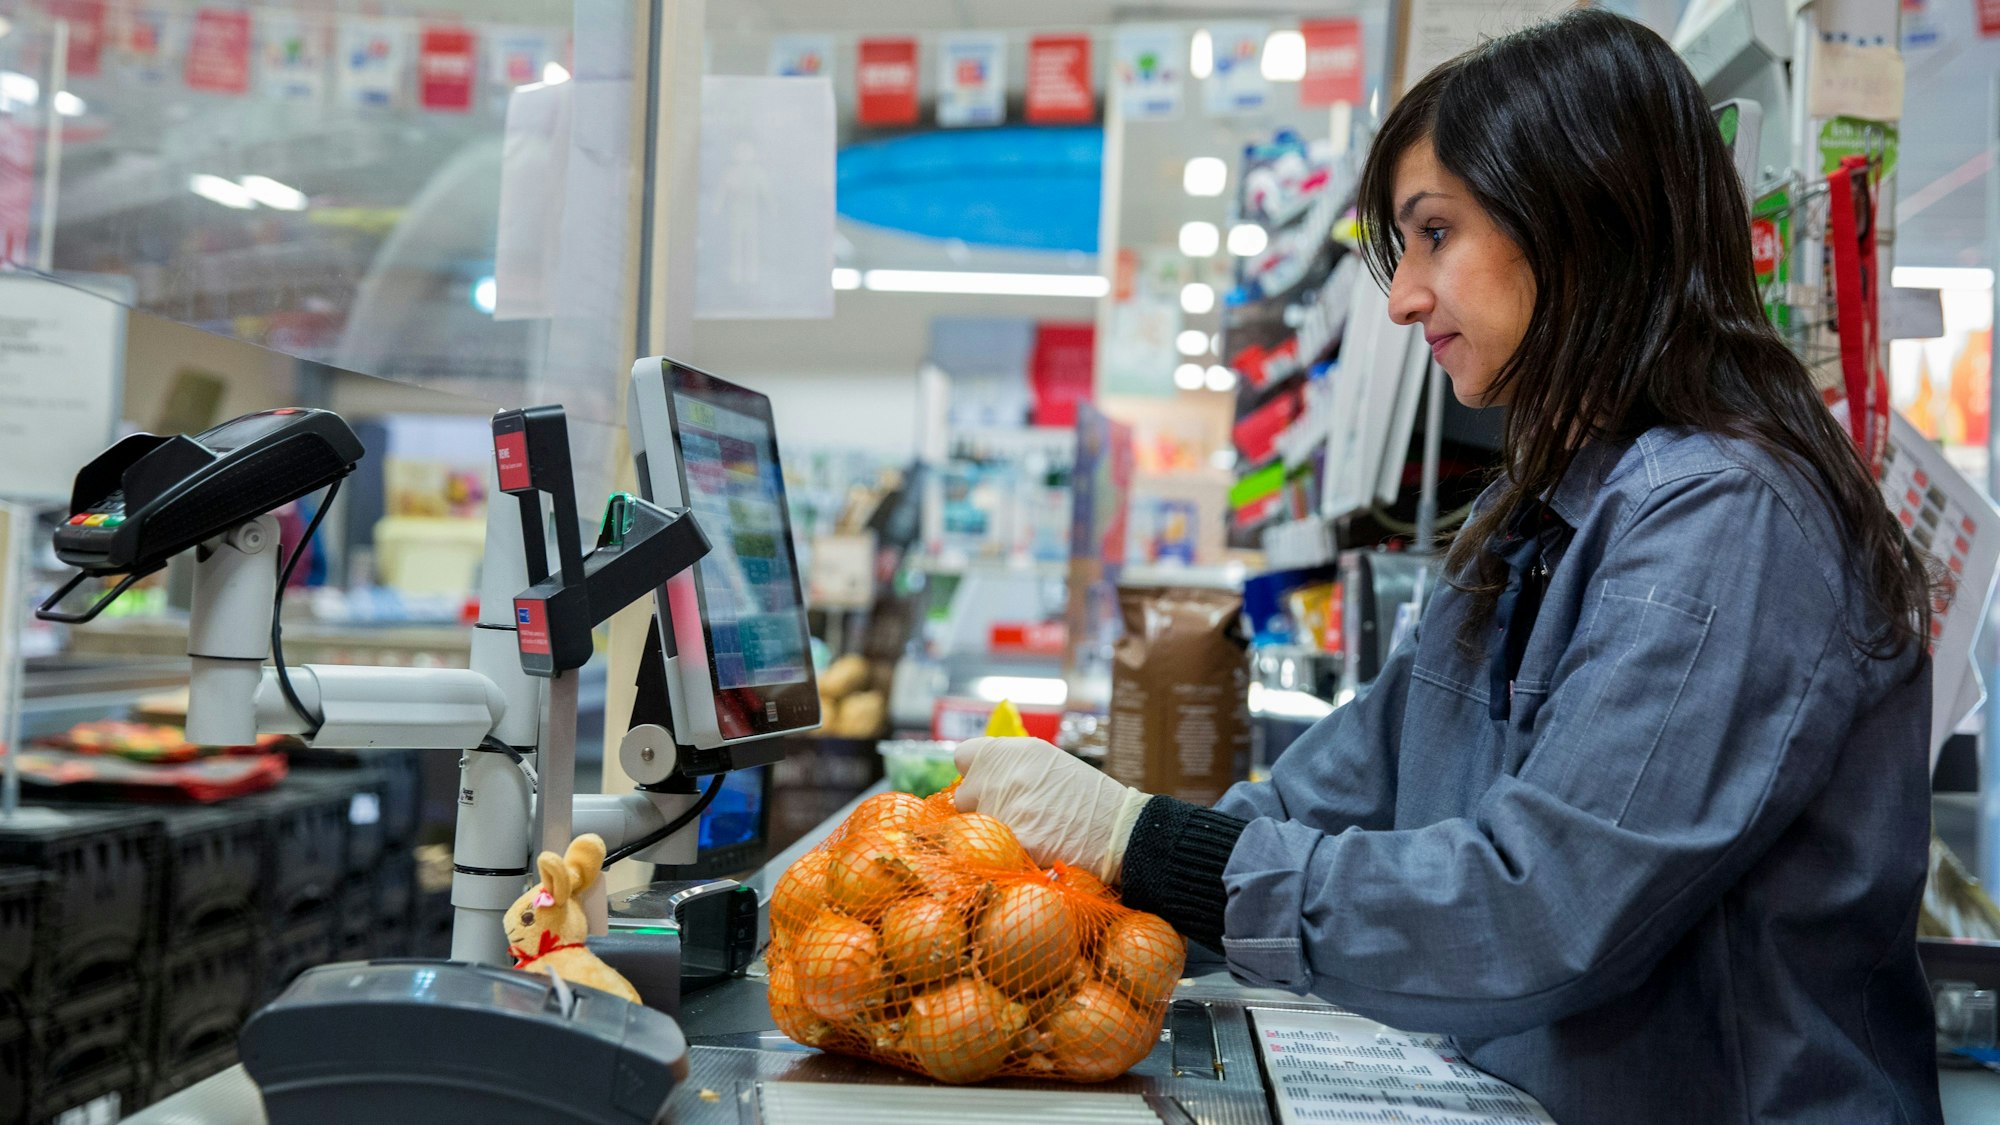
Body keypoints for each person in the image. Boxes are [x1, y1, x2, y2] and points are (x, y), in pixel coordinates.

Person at [953, 11, 1944, 1123]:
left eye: (1435, 234)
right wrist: (1064, 882)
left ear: (1577, 215)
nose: (1401, 298)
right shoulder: (1523, 521)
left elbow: (1539, 910)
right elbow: (1340, 786)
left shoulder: (1727, 521)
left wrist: (1135, 840)